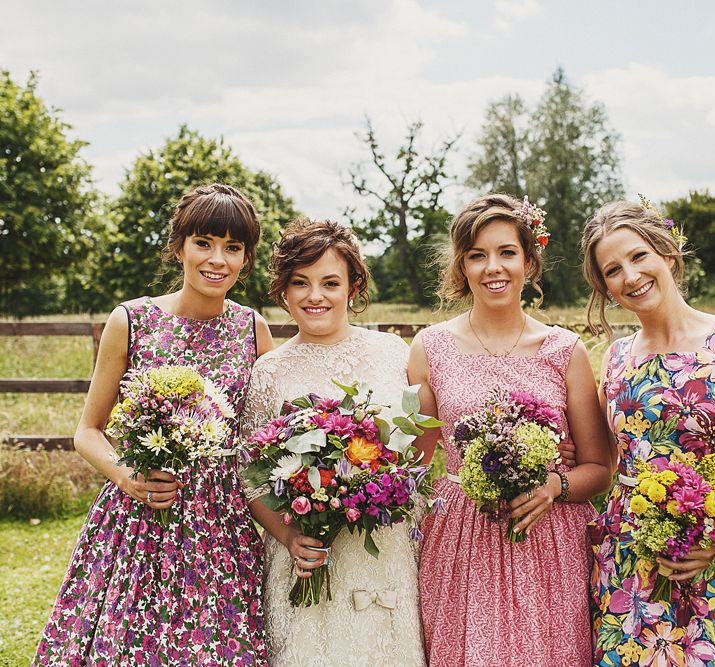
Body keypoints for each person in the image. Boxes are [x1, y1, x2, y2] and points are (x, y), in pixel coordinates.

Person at [32, 184, 273, 666]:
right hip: (137, 518)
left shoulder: (253, 330)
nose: (217, 259)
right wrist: (129, 477)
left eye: (233, 247)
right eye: (204, 242)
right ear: (179, 246)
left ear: (246, 258)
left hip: (219, 527)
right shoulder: (132, 321)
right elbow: (88, 430)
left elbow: (262, 440)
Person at [409, 193, 612, 666]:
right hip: (461, 539)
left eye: (506, 252)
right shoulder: (429, 348)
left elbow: (599, 467)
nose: (492, 267)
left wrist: (555, 485)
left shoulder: (565, 350)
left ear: (529, 260)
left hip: (549, 539)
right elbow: (413, 467)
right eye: (477, 256)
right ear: (461, 267)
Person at [241, 218, 426, 667]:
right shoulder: (270, 371)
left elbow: (418, 447)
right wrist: (288, 537)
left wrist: (383, 491)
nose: (314, 296)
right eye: (300, 283)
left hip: (382, 545)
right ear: (283, 289)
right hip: (306, 551)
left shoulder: (393, 353)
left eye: (330, 282)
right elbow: (249, 478)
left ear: (353, 286)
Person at [582, 199, 715, 666]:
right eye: (613, 269)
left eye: (639, 256)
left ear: (667, 253)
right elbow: (604, 464)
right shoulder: (617, 358)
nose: (630, 276)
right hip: (631, 564)